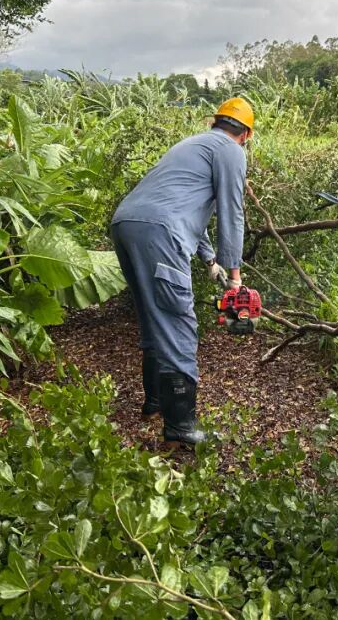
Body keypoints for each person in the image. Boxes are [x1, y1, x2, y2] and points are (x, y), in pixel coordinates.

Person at [110, 97, 253, 446]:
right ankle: (181, 427)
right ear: (246, 134)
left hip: (126, 224)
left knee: (152, 316)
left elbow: (185, 208)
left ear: (214, 123)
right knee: (178, 323)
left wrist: (209, 261)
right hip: (160, 231)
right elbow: (231, 213)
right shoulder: (232, 152)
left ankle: (155, 402)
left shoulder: (191, 145)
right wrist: (235, 277)